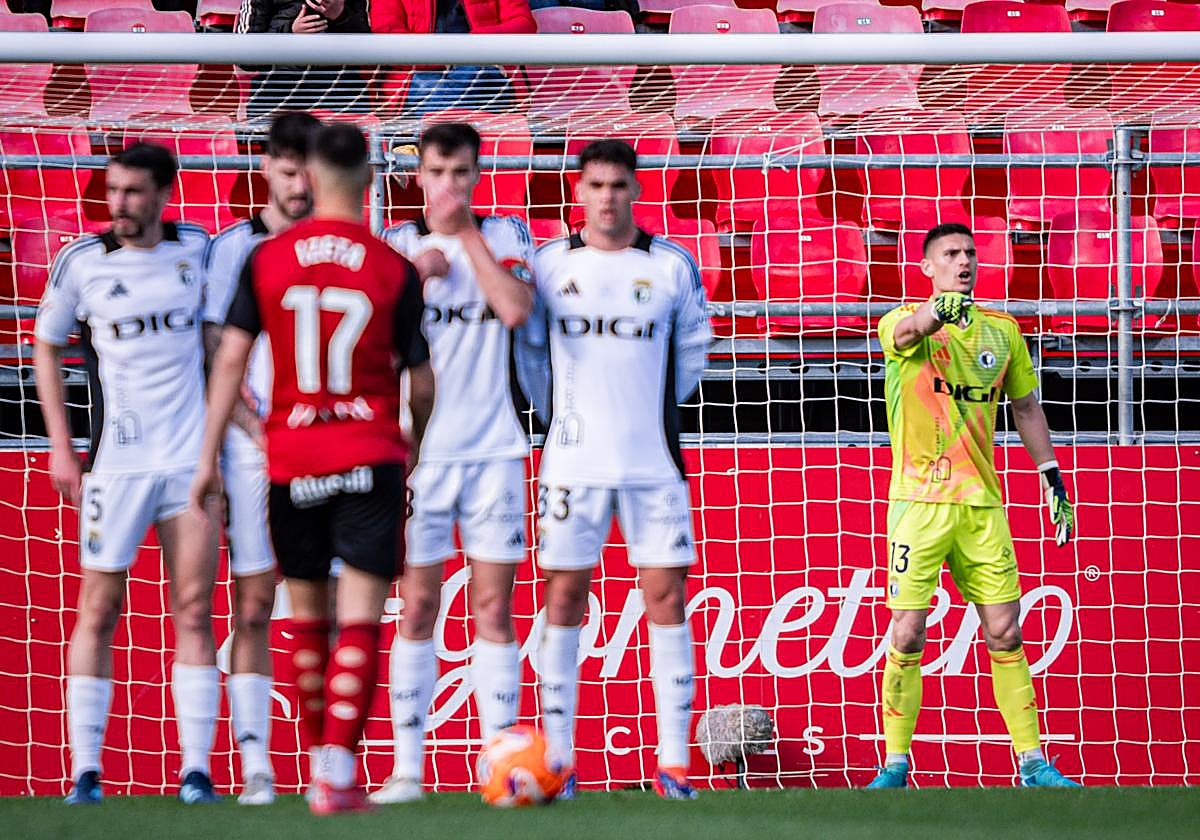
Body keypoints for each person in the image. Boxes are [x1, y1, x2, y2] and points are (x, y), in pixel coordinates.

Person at [190, 123, 432, 815]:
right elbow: (421, 379)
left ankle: (316, 762)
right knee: (361, 618)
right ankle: (337, 772)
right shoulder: (391, 265)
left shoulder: (267, 260)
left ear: (313, 176)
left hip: (290, 457)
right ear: (366, 180)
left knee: (306, 621)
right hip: (368, 451)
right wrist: (417, 437)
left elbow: (230, 360)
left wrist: (208, 457)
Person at [518, 139, 711, 800]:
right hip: (572, 460)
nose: (607, 198)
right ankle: (559, 762)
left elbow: (691, 353)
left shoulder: (670, 265)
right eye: (596, 185)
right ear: (578, 191)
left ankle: (674, 764)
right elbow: (532, 357)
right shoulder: (547, 264)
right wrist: (563, 418)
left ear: (635, 190)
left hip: (652, 458)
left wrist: (647, 413)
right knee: (563, 599)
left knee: (667, 598)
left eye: (619, 186)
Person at [34, 143, 223, 805]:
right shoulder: (82, 263)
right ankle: (86, 772)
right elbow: (46, 345)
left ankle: (196, 773)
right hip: (115, 466)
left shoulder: (198, 248)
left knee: (196, 611)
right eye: (113, 191)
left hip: (190, 464)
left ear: (164, 193)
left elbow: (220, 342)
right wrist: (62, 447)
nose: (119, 204)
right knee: (98, 608)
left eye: (134, 191)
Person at [867, 222, 1079, 789]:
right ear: (927, 267)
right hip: (918, 504)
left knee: (1006, 632)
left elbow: (1027, 407)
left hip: (982, 506)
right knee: (908, 633)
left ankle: (1033, 762)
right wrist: (940, 313)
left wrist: (1051, 475)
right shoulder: (902, 321)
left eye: (969, 253)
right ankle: (894, 764)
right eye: (950, 254)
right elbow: (911, 330)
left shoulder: (1003, 333)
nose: (964, 261)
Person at [370, 122, 535, 805]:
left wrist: (464, 239)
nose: (448, 185)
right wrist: (412, 279)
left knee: (493, 608)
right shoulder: (394, 247)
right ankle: (407, 769)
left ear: (476, 173)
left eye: (461, 172)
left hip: (495, 448)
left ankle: (501, 766)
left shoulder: (506, 235)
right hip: (419, 454)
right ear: (417, 175)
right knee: (416, 608)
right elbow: (368, 333)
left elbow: (517, 310)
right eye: (438, 172)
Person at [203, 110, 323, 806]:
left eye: (309, 170)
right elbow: (218, 349)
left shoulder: (341, 243)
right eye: (287, 170)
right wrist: (253, 428)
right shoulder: (232, 249)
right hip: (255, 449)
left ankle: (327, 764)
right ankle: (255, 769)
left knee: (324, 608)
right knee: (252, 604)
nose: (299, 184)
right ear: (266, 171)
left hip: (329, 446)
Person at [370, 0, 534, 115]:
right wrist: (445, 56)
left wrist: (474, 43)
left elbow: (524, 24)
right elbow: (388, 35)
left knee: (477, 74)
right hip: (418, 76)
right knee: (470, 85)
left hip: (481, 69)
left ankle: (434, 151)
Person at [235, 1, 371, 116]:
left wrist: (340, 16)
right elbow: (244, 56)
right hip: (277, 89)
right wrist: (290, 35)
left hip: (341, 90)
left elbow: (368, 52)